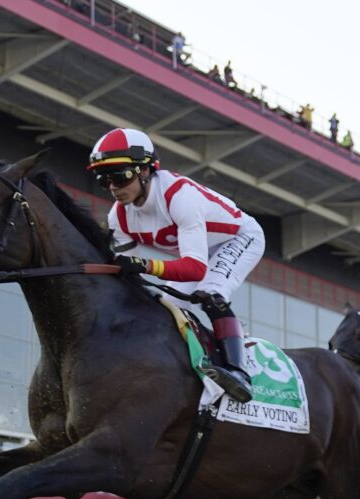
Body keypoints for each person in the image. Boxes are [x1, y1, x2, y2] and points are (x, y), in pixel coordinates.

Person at [88, 127, 266, 403]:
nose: (113, 187)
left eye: (120, 176)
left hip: (239, 238)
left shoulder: (179, 197)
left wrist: (144, 264)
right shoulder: (119, 218)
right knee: (166, 305)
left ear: (145, 171)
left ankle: (238, 371)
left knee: (211, 293)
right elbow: (128, 271)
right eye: (104, 179)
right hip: (199, 251)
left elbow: (194, 269)